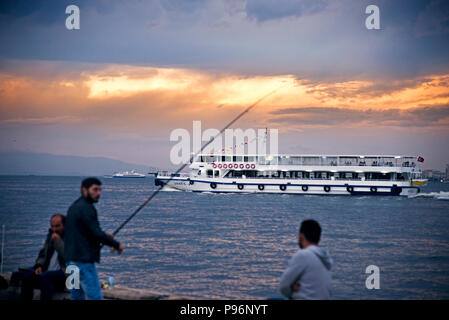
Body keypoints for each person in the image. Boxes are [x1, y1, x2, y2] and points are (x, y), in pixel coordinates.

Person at [64, 177, 124, 300]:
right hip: (83, 263)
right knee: (95, 296)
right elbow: (96, 233)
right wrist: (116, 244)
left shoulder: (73, 207)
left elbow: (83, 234)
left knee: (76, 296)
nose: (98, 193)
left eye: (100, 190)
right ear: (84, 190)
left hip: (71, 262)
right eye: (95, 190)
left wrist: (104, 237)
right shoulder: (87, 208)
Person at [279, 219, 333, 300]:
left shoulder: (303, 255)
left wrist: (293, 289)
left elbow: (283, 286)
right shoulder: (326, 260)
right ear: (319, 239)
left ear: (301, 236)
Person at [20, 214, 67, 300]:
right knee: (27, 277)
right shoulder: (51, 235)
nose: (54, 229)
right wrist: (39, 265)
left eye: (57, 226)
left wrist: (58, 241)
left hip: (65, 272)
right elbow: (43, 254)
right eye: (52, 226)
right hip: (48, 271)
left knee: (46, 277)